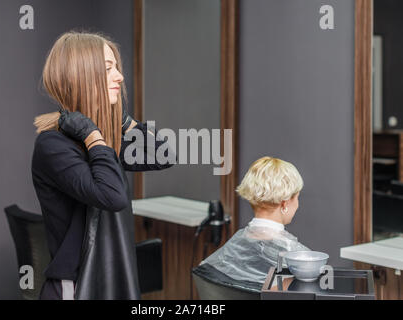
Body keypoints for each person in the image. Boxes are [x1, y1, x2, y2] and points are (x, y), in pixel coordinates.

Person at [31, 31, 175, 300]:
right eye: (109, 69)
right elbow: (111, 195)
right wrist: (92, 135)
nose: (120, 76)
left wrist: (124, 122)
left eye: (117, 68)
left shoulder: (104, 142)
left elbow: (164, 155)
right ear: (82, 76)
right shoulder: (53, 146)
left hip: (107, 282)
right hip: (76, 288)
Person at [198, 156, 309, 292]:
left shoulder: (232, 247)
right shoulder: (300, 259)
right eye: (297, 197)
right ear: (285, 203)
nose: (297, 204)